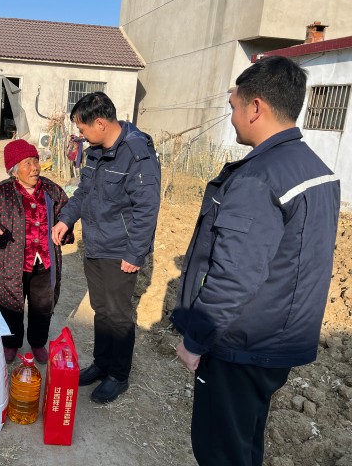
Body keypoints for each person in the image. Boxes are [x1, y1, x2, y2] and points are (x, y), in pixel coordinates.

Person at [170, 56, 340, 465]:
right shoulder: (317, 169)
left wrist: (196, 341)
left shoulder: (258, 178)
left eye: (233, 106)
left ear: (256, 107)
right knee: (245, 440)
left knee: (219, 450)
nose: (231, 117)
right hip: (281, 338)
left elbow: (234, 276)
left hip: (243, 343)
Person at [52, 92, 161, 403]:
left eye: (83, 129)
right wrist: (66, 219)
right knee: (101, 310)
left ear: (100, 123)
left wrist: (134, 253)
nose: (81, 135)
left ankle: (118, 375)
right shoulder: (97, 151)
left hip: (119, 251)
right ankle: (101, 364)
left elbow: (147, 209)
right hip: (96, 244)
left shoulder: (137, 154)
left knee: (118, 315)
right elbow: (84, 192)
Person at [0, 139, 72, 364]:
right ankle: (11, 343)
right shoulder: (0, 193)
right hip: (11, 261)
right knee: (10, 304)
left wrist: (64, 228)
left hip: (45, 261)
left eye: (36, 161)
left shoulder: (51, 190)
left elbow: (65, 214)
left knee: (42, 305)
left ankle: (37, 342)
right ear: (14, 169)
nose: (35, 168)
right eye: (27, 163)